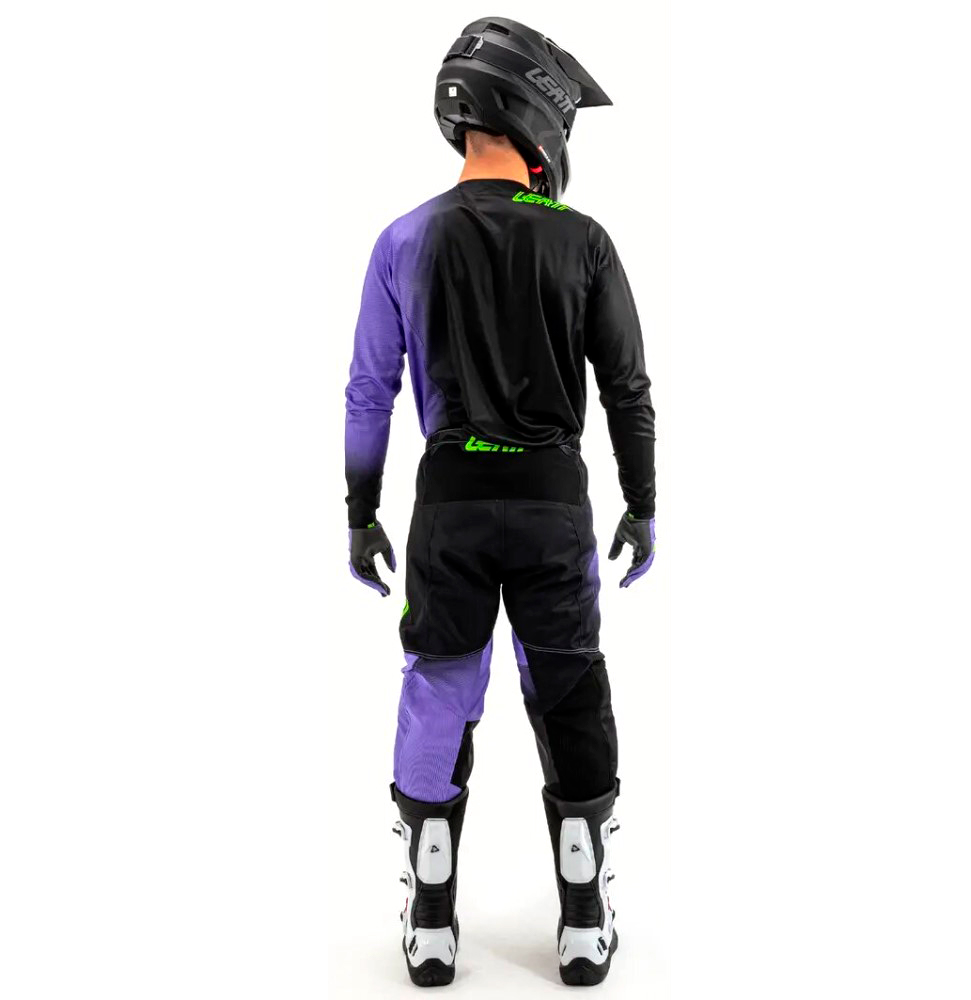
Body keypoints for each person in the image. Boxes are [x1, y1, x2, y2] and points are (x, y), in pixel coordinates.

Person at [345, 17, 655, 988]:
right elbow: (627, 388)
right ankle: (583, 919)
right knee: (568, 685)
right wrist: (642, 502)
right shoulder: (583, 240)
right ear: (538, 114)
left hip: (449, 507)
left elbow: (368, 391)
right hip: (552, 502)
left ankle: (432, 919)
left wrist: (360, 510)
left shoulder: (403, 238)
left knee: (439, 684)